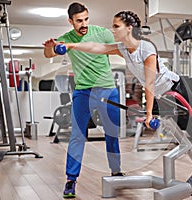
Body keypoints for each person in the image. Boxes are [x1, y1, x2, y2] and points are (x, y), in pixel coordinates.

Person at [61, 10, 192, 178]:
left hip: (174, 87)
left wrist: (149, 112)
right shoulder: (123, 48)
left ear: (129, 28)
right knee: (185, 124)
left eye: (116, 26)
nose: (112, 30)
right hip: (162, 95)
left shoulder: (146, 48)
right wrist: (70, 45)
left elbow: (150, 83)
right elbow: (96, 47)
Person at [42, 2, 124, 198]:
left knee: (112, 134)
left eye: (86, 19)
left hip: (107, 90)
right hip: (83, 92)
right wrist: (48, 48)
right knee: (77, 136)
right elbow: (49, 53)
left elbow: (120, 49)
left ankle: (116, 172)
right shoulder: (66, 39)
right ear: (71, 21)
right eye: (79, 21)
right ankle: (71, 180)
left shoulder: (101, 33)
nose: (84, 23)